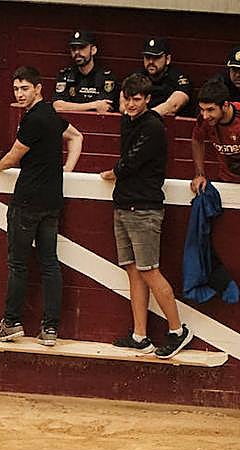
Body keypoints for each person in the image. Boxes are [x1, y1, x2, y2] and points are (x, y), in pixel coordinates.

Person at [0, 66, 83, 347]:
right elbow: (77, 137)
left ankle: (11, 322)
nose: (19, 93)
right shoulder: (52, 115)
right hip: (52, 200)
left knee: (18, 264)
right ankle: (50, 329)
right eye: (16, 89)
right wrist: (67, 169)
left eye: (24, 88)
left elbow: (14, 156)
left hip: (28, 200)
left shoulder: (33, 120)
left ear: (38, 88)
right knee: (49, 263)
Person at [99, 74, 192, 360]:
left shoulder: (152, 126)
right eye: (127, 98)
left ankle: (177, 330)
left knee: (149, 270)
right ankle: (140, 335)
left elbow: (130, 163)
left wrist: (112, 173)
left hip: (144, 208)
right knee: (133, 269)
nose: (130, 104)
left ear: (148, 99)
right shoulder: (128, 121)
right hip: (126, 204)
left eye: (137, 99)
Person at [191, 78, 240, 193]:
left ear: (225, 105)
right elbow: (197, 140)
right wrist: (199, 174)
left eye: (210, 110)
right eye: (202, 109)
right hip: (226, 180)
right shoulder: (204, 120)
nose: (205, 116)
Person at [53, 31, 117, 114]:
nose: (77, 52)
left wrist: (70, 106)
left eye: (81, 48)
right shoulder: (65, 75)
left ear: (93, 50)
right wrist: (94, 105)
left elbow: (104, 107)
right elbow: (57, 106)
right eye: (73, 49)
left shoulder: (106, 77)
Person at [133, 37, 193, 118]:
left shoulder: (178, 79)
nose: (151, 61)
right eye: (147, 57)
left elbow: (173, 105)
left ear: (167, 59)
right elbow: (123, 101)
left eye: (156, 57)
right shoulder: (137, 76)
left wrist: (147, 116)